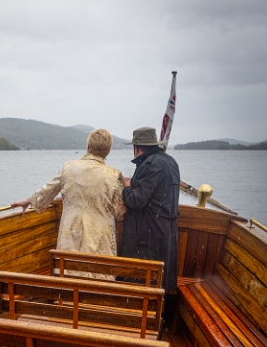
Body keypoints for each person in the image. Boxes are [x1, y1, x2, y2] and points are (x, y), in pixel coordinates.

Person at [11, 129, 125, 275]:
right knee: (98, 278)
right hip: (100, 240)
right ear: (107, 152)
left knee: (68, 275)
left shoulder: (68, 168)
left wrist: (28, 201)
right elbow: (120, 212)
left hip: (71, 236)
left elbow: (48, 190)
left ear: (88, 147)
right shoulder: (114, 175)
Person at [120, 127, 180, 302]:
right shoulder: (170, 161)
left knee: (143, 282)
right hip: (167, 232)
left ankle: (140, 313)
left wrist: (126, 187)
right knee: (161, 281)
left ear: (137, 147)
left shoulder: (150, 164)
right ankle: (161, 314)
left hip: (148, 235)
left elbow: (136, 200)